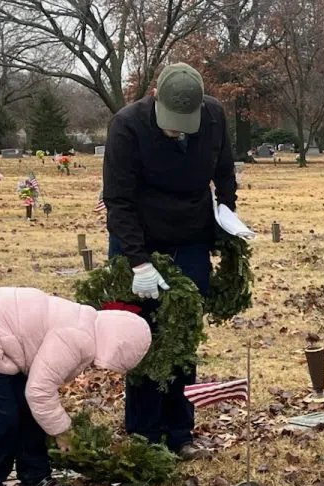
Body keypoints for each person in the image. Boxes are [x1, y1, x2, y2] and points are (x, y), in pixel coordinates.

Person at [102, 62, 237, 458]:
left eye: (184, 123)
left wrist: (226, 220)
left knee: (182, 336)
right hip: (140, 238)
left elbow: (224, 173)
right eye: (171, 123)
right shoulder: (126, 126)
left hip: (191, 237)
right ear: (155, 95)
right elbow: (119, 200)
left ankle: (180, 432)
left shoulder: (213, 116)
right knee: (141, 337)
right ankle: (144, 434)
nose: (176, 130)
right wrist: (139, 262)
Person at [0, 287, 152, 486]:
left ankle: (35, 478)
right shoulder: (78, 339)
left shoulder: (88, 325)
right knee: (2, 416)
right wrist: (63, 432)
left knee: (29, 411)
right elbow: (39, 392)